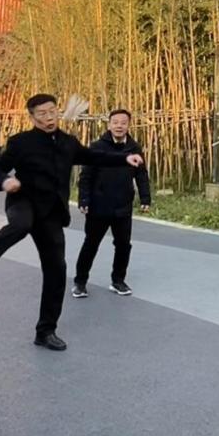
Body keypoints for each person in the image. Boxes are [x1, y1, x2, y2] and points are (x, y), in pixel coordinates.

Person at [0, 94, 143, 351]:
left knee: (57, 270)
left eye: (52, 111)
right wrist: (5, 181)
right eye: (42, 113)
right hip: (23, 202)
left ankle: (45, 331)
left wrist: (124, 159)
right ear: (32, 117)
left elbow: (94, 156)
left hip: (51, 213)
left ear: (57, 112)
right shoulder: (21, 142)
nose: (49, 117)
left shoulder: (67, 143)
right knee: (19, 226)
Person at [72, 109, 151, 299]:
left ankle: (118, 281)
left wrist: (145, 198)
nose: (119, 126)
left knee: (123, 245)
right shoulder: (97, 146)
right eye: (115, 122)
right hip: (99, 205)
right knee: (91, 244)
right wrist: (84, 199)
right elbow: (86, 176)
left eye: (123, 123)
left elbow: (141, 175)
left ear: (129, 125)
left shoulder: (134, 148)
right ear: (109, 124)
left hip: (123, 205)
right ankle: (80, 283)